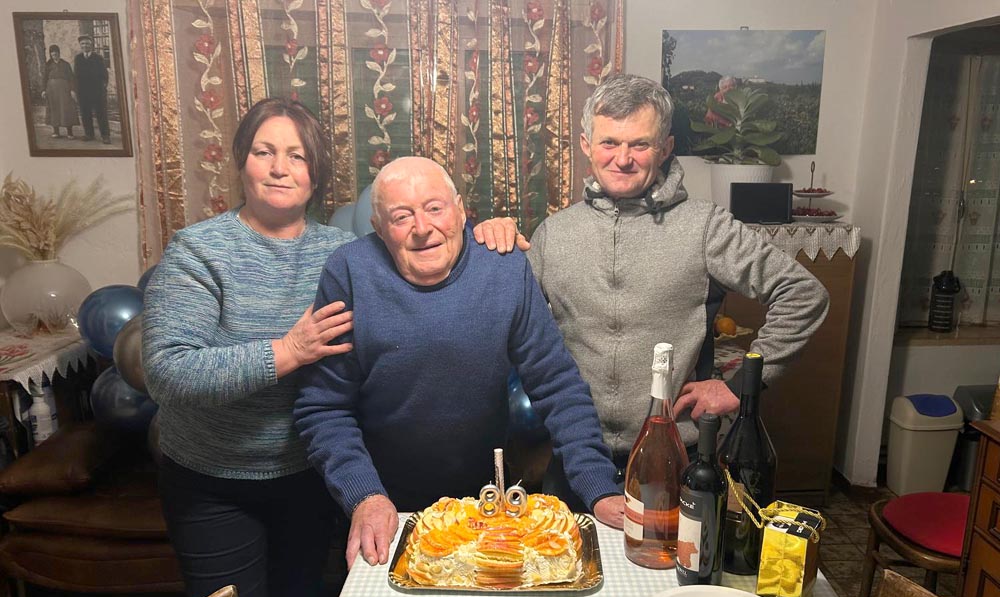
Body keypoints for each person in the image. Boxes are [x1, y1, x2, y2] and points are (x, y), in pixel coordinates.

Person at [474, 74, 829, 509]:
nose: (622, 159)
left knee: (671, 557)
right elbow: (502, 323)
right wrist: (489, 246)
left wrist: (740, 387)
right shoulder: (554, 234)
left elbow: (803, 294)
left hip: (674, 459)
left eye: (640, 144)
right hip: (574, 458)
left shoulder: (705, 227)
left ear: (665, 147)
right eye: (609, 142)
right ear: (586, 145)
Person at [293, 156, 623, 570]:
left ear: (461, 210)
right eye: (401, 216)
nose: (422, 227)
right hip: (382, 501)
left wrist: (598, 485)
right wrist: (364, 496)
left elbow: (557, 385)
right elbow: (323, 407)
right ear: (378, 228)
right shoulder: (349, 271)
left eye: (435, 208)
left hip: (483, 499)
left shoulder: (503, 266)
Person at [143, 98, 355, 597]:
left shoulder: (343, 252)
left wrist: (492, 235)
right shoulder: (199, 250)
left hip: (307, 475)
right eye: (265, 151)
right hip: (212, 479)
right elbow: (168, 372)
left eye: (297, 155)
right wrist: (288, 351)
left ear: (316, 173)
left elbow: (424, 258)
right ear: (241, 162)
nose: (280, 167)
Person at [73, 35, 110, 144]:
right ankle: (89, 134)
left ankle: (105, 135)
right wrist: (75, 90)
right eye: (83, 44)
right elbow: (76, 76)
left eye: (87, 43)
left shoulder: (98, 58)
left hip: (97, 91)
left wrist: (103, 87)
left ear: (91, 45)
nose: (85, 46)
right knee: (85, 113)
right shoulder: (78, 58)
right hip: (83, 91)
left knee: (101, 113)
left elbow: (104, 75)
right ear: (80, 45)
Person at [41, 45, 76, 139]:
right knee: (54, 109)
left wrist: (72, 90)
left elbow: (71, 78)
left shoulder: (65, 64)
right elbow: (44, 78)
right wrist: (43, 90)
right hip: (51, 90)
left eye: (56, 53)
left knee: (67, 109)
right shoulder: (48, 65)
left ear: (59, 53)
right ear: (50, 54)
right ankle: (56, 131)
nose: (54, 55)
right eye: (52, 54)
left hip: (64, 90)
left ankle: (70, 132)